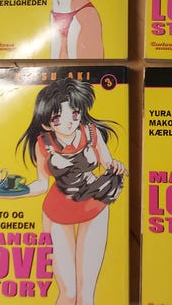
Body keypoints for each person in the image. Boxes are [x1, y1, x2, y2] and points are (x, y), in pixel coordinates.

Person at [14, 78, 127, 305]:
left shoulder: (92, 133)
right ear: (47, 122)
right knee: (69, 293)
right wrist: (10, 192)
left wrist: (117, 166)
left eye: (74, 114)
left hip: (94, 203)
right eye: (58, 118)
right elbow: (41, 184)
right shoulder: (43, 143)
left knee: (85, 295)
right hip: (58, 210)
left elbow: (107, 162)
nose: (68, 123)